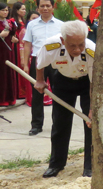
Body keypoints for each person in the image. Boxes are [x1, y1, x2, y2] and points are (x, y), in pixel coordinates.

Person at [35, 20, 94, 178]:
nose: (77, 49)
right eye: (72, 45)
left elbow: (94, 82)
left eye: (80, 44)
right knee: (60, 123)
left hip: (86, 83)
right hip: (62, 81)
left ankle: (90, 167)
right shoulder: (51, 46)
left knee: (91, 124)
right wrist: (40, 80)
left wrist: (92, 109)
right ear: (62, 41)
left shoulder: (91, 50)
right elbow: (40, 63)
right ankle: (56, 164)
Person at [23, 0, 63, 136]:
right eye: (42, 6)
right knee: (37, 93)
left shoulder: (61, 25)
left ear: (53, 7)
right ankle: (36, 125)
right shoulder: (32, 25)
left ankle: (58, 125)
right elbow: (27, 44)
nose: (45, 8)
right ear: (38, 8)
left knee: (58, 93)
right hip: (38, 61)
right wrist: (25, 63)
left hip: (56, 62)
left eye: (48, 6)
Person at [10, 2, 28, 99]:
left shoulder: (24, 21)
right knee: (19, 67)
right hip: (17, 47)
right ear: (17, 10)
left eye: (25, 9)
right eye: (22, 9)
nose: (24, 11)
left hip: (25, 46)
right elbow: (10, 34)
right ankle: (19, 92)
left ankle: (25, 91)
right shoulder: (12, 21)